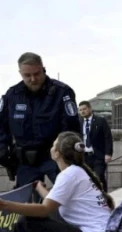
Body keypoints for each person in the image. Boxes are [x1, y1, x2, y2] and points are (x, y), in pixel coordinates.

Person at [0, 132, 116, 232]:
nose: (51, 147)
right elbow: (53, 203)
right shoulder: (77, 172)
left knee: (27, 222)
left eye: (54, 145)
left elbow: (45, 210)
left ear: (57, 153)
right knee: (44, 216)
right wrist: (40, 188)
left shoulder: (68, 175)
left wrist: (5, 205)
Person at [0, 52, 81, 188]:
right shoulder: (12, 95)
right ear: (20, 73)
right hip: (25, 161)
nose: (33, 79)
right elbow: (1, 126)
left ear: (43, 69)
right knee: (26, 204)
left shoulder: (62, 92)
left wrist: (67, 156)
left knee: (71, 195)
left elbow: (72, 129)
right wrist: (3, 152)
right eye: (27, 75)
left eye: (37, 74)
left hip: (55, 157)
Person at [78, 101, 114, 191]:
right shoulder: (79, 122)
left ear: (90, 109)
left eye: (84, 109)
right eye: (80, 110)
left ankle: (104, 198)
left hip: (98, 155)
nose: (82, 111)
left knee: (99, 177)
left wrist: (108, 153)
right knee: (87, 179)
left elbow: (108, 137)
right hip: (84, 156)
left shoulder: (100, 120)